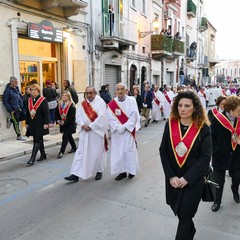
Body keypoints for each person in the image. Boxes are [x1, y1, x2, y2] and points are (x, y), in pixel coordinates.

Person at [160, 90, 211, 240]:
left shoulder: (203, 128)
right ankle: (191, 230)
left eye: (187, 106)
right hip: (174, 180)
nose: (182, 109)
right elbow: (163, 151)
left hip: (192, 181)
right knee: (181, 214)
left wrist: (187, 178)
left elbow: (205, 157)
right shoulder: (170, 125)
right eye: (180, 105)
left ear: (195, 108)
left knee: (185, 215)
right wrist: (171, 176)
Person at [64, 86, 108, 182]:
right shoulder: (83, 103)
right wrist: (83, 125)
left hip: (96, 132)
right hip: (85, 132)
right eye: (87, 93)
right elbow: (78, 116)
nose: (88, 95)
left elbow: (102, 117)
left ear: (95, 93)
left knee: (97, 153)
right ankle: (75, 174)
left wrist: (91, 126)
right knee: (80, 153)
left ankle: (99, 171)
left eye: (91, 93)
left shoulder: (100, 102)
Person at [210, 95, 240, 212]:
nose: (239, 112)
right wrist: (216, 150)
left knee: (236, 177)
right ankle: (217, 201)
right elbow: (211, 138)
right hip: (220, 155)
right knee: (219, 180)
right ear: (231, 109)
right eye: (238, 110)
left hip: (236, 155)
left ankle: (235, 193)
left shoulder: (239, 120)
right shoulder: (217, 119)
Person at [107, 83, 140, 180]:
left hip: (128, 132)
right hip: (117, 133)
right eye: (118, 89)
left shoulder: (132, 100)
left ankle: (131, 171)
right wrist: (118, 127)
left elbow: (134, 115)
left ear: (126, 90)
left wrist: (124, 127)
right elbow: (109, 118)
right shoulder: (112, 104)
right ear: (115, 91)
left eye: (122, 89)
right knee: (118, 152)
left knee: (129, 151)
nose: (120, 91)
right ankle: (121, 172)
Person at [25, 84, 50, 165]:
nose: (33, 92)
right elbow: (28, 113)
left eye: (35, 90)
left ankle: (32, 158)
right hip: (32, 123)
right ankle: (43, 154)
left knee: (36, 140)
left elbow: (46, 112)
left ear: (38, 91)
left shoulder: (42, 100)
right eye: (32, 90)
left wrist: (46, 123)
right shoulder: (29, 100)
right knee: (38, 139)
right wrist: (27, 123)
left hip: (40, 123)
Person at [3, 76, 26, 140]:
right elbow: (5, 101)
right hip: (13, 109)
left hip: (19, 108)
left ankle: (11, 120)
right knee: (16, 122)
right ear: (12, 82)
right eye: (16, 82)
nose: (17, 83)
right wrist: (10, 110)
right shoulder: (8, 90)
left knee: (23, 117)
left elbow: (19, 97)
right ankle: (18, 135)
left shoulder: (17, 88)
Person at [55, 91, 77, 159]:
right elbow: (56, 113)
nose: (64, 97)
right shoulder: (59, 104)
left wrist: (64, 122)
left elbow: (71, 117)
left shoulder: (71, 105)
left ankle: (61, 152)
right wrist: (58, 120)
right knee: (69, 136)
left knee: (65, 137)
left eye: (66, 95)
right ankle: (74, 147)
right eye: (63, 95)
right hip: (62, 124)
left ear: (68, 97)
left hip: (69, 124)